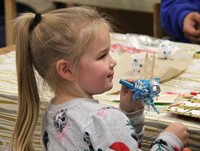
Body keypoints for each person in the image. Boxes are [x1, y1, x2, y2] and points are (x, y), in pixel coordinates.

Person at [11, 6, 189, 151]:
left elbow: (113, 144)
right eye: (102, 55)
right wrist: (168, 141)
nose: (113, 61)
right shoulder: (103, 119)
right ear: (66, 69)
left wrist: (129, 114)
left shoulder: (53, 113)